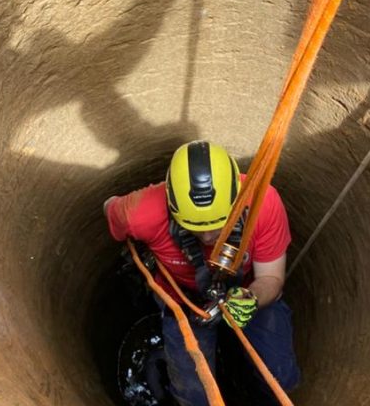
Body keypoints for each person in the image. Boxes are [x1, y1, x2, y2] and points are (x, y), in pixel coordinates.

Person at [104, 140, 300, 405]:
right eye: (195, 226)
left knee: (281, 379)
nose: (207, 237)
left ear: (238, 199)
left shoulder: (263, 204)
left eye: (218, 224)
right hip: (184, 302)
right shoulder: (142, 213)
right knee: (195, 399)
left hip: (247, 294)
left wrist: (251, 299)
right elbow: (110, 207)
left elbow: (271, 279)